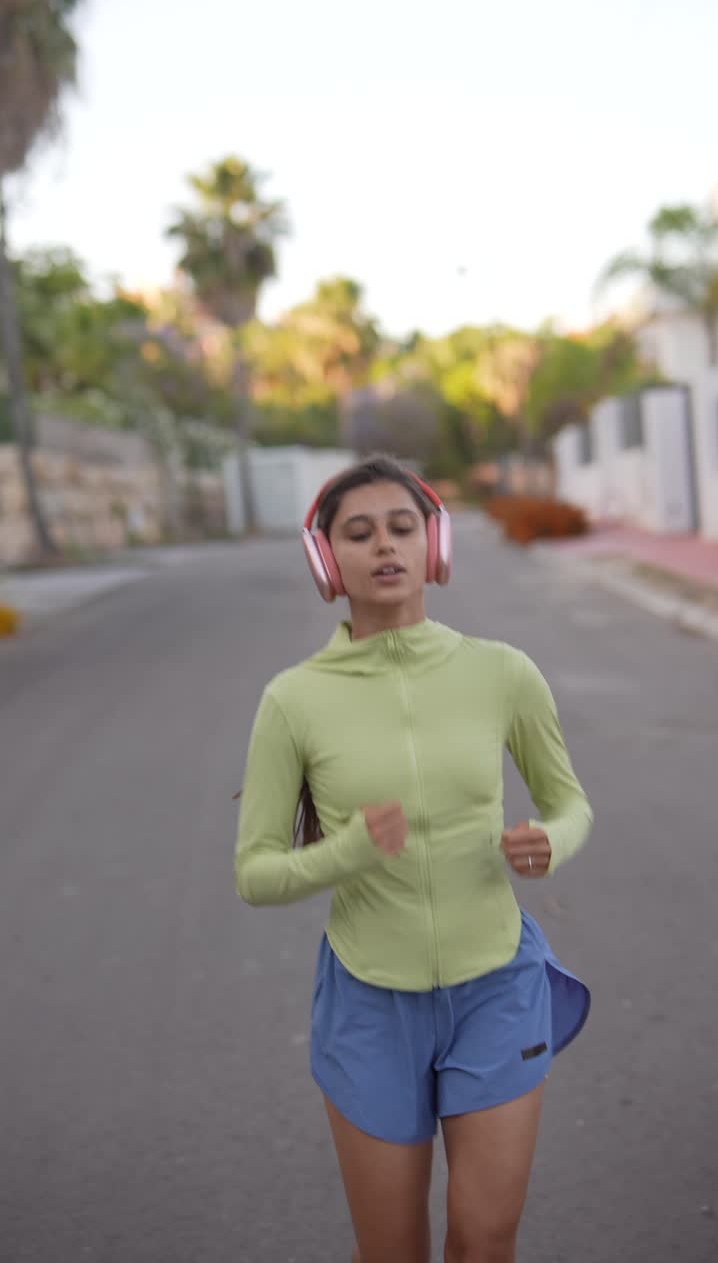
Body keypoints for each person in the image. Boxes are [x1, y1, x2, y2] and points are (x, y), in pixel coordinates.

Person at [235, 454, 593, 1263]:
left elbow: (572, 804)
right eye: (358, 534)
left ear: (434, 542)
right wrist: (347, 853)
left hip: (496, 984)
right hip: (370, 1003)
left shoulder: (501, 672)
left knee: (485, 1236)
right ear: (327, 560)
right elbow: (253, 872)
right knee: (392, 1250)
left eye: (402, 527)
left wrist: (552, 841)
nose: (384, 547)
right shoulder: (293, 700)